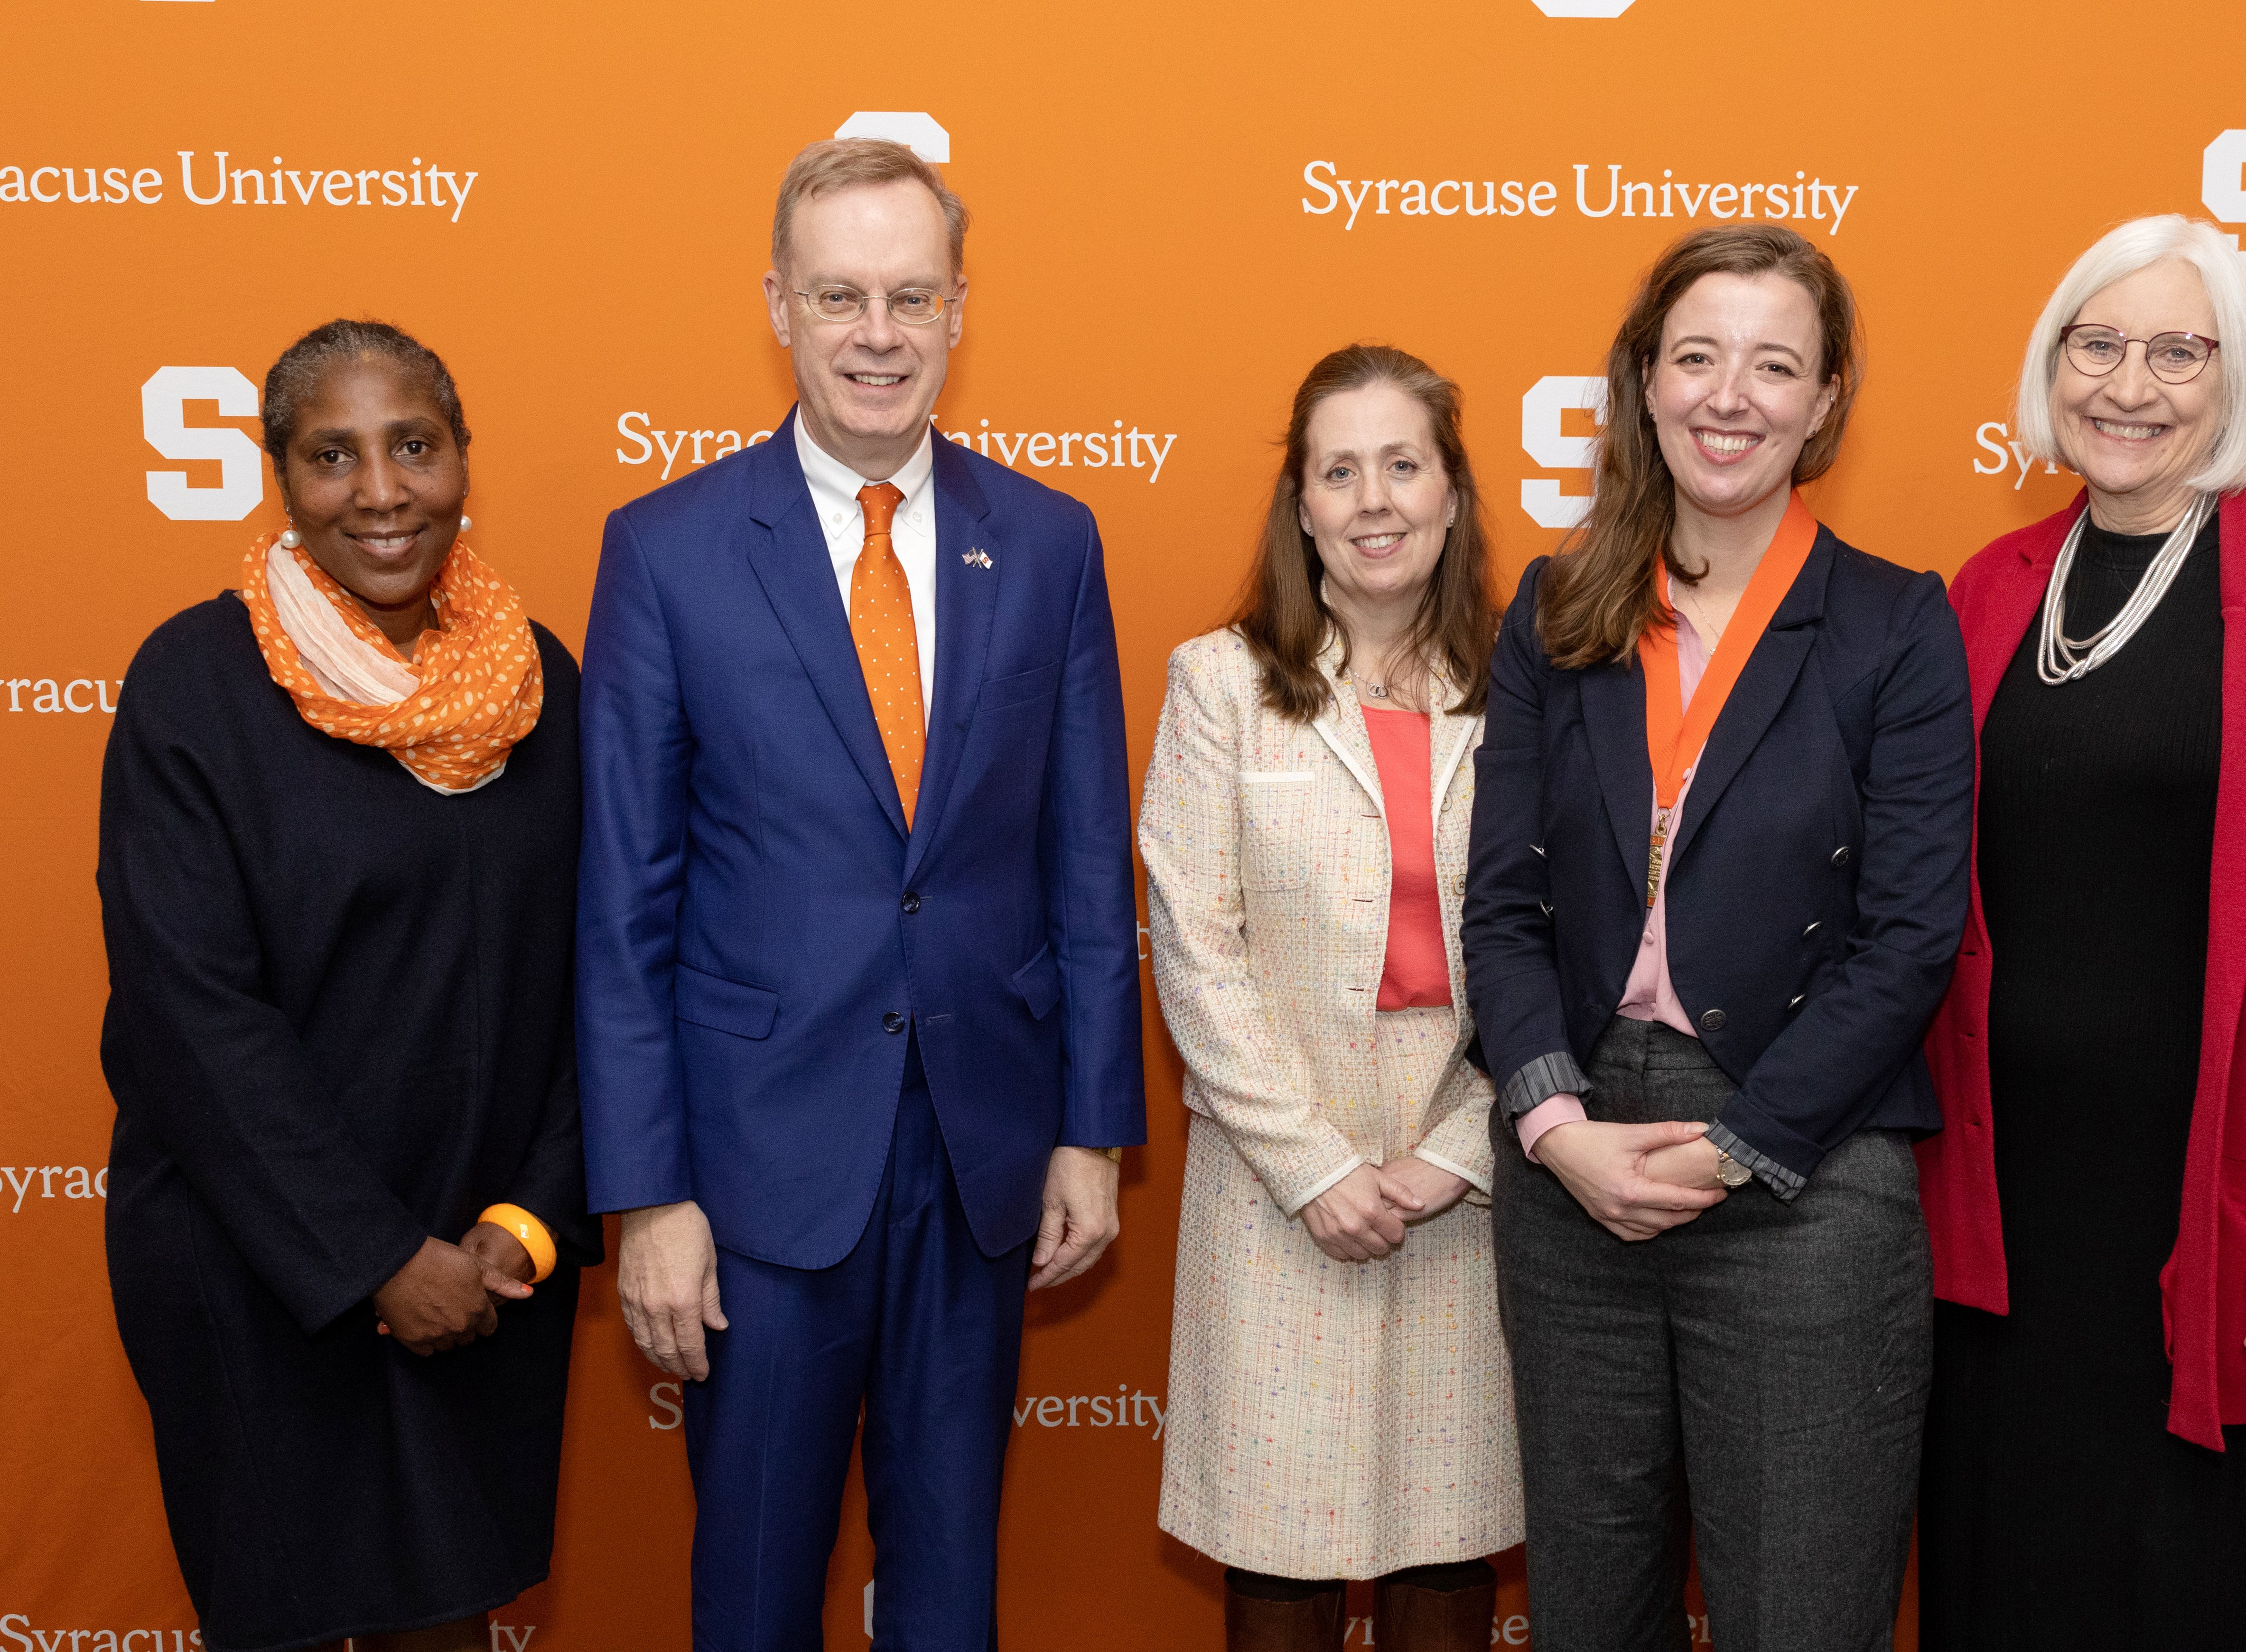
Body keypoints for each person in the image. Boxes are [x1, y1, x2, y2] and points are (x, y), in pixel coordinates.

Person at [575, 137, 1144, 1649]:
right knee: (755, 1585)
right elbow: (623, 902)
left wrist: (1092, 1128)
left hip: (980, 1158)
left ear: (960, 310)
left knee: (949, 1577)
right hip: (756, 1171)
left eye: (909, 295)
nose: (875, 332)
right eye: (839, 295)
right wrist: (647, 1194)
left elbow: (1085, 860)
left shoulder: (1048, 543)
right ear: (778, 305)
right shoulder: (666, 551)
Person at [1460, 225, 1976, 1652]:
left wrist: (1739, 1142)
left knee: (1800, 1611)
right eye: (1695, 356)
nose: (1727, 395)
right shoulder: (1557, 611)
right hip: (1572, 1168)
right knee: (1587, 1607)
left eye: (1773, 364)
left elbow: (1909, 937)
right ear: (1641, 379)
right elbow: (1500, 905)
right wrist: (1554, 1127)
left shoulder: (1892, 625)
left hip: (1801, 1171)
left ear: (1825, 401)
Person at [1913, 215, 2246, 1651]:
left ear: (2232, 378)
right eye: (2096, 344)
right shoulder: (1988, 591)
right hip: (1998, 1216)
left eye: (2174, 350)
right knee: (1995, 1583)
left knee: (2178, 1591)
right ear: (2050, 365)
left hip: (2212, 1211)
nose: (2127, 384)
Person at [97, 318, 592, 1652]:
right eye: (334, 455)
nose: (381, 490)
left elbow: (595, 977)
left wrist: (529, 1220)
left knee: (448, 1619)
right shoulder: (195, 683)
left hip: (483, 1271)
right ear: (281, 478)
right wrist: (375, 1259)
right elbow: (193, 1016)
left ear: (463, 461)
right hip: (262, 1276)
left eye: (414, 446)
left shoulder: (538, 683)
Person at [1145, 345, 1520, 1652]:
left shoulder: (1532, 693)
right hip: (1276, 1197)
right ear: (1299, 503)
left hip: (1465, 1190)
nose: (1373, 499)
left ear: (1452, 491)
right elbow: (1195, 947)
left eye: (1402, 464)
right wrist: (1313, 1166)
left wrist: (1456, 1154)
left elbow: (1578, 948)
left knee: (1445, 1564)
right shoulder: (1219, 686)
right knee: (1280, 1566)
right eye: (1338, 469)